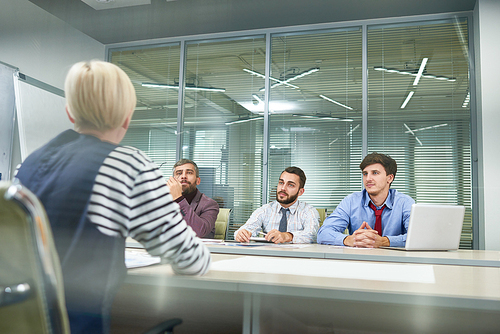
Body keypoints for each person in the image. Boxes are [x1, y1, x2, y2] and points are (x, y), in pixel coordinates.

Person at [15, 60, 211, 334]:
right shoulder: (127, 164)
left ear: (70, 112)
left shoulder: (28, 165)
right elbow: (191, 260)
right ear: (127, 117)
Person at [317, 152, 414, 248]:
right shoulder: (351, 201)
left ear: (389, 178)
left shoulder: (404, 202)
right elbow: (323, 233)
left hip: (396, 261)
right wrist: (348, 240)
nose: (368, 179)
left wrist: (384, 241)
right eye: (365, 173)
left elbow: (417, 237)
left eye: (375, 173)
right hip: (359, 260)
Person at [234, 166, 319, 244]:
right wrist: (241, 234)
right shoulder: (265, 210)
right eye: (281, 183)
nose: (283, 188)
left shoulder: (308, 211)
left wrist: (287, 236)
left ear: (300, 192)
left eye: (290, 185)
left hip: (298, 257)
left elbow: (312, 235)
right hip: (269, 257)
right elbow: (245, 229)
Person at [167, 159, 220, 238]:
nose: (183, 176)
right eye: (179, 173)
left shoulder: (210, 204)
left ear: (198, 181)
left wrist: (179, 199)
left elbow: (200, 232)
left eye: (189, 173)